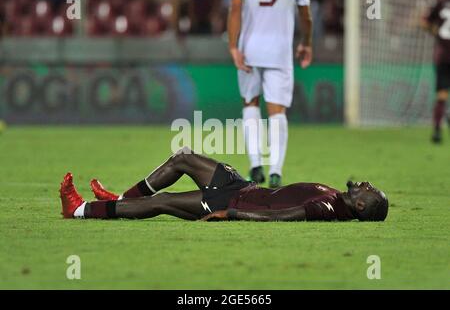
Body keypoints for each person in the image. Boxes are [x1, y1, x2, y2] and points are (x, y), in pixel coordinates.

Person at [60, 147, 389, 222]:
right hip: (243, 189)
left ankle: (80, 209)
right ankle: (118, 198)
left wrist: (231, 215)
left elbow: (285, 216)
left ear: (361, 205)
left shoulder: (328, 208)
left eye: (370, 189)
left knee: (163, 202)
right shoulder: (337, 199)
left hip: (234, 204)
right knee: (183, 158)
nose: (367, 183)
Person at [228, 0, 313, 187]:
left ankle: (256, 165)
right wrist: (307, 43)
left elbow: (235, 9)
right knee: (277, 112)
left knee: (250, 104)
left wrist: (233, 47)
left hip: (249, 50)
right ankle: (275, 171)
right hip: (280, 52)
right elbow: (306, 15)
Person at [422, 0, 450, 144]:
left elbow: (424, 21)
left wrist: (437, 33)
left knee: (441, 94)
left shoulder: (440, 2)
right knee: (442, 94)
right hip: (444, 55)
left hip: (443, 55)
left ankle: (437, 131)